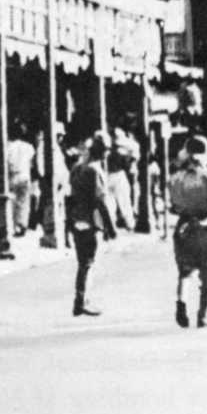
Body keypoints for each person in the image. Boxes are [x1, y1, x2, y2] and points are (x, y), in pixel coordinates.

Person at [169, 135, 207, 329]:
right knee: (206, 276)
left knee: (184, 272)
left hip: (184, 226)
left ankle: (181, 305)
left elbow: (174, 206)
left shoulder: (176, 177)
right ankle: (202, 316)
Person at [66, 132, 117, 316]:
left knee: (82, 263)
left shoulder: (77, 168)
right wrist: (110, 227)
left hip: (76, 218)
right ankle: (82, 301)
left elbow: (70, 196)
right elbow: (100, 201)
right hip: (90, 219)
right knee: (88, 263)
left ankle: (79, 299)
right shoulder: (95, 171)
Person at [6, 123, 35, 237]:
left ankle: (13, 225)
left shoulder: (8, 146)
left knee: (12, 201)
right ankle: (22, 224)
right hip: (25, 175)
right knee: (23, 202)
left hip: (12, 176)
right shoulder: (29, 147)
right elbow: (31, 163)